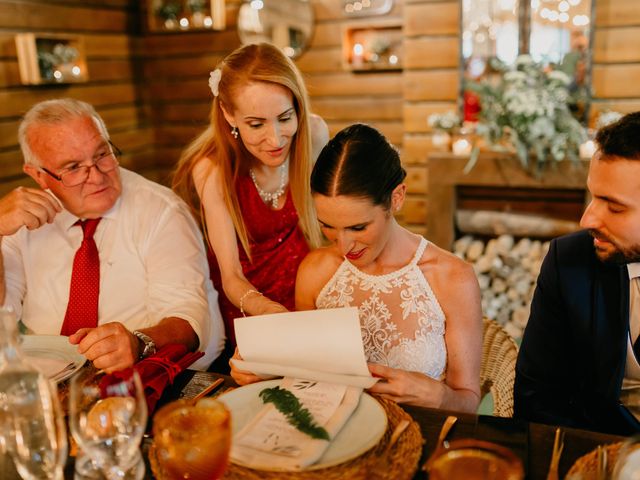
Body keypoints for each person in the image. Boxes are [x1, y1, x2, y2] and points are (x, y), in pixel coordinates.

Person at [0, 98, 224, 373]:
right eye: (73, 168)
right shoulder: (20, 220)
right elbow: (2, 318)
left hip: (145, 377)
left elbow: (189, 319)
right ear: (39, 176)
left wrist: (139, 342)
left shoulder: (161, 211)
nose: (96, 176)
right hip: (47, 379)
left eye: (102, 155)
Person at [290, 123, 482, 411]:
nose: (344, 246)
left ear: (397, 198)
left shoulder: (453, 278)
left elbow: (468, 402)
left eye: (358, 227)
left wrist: (439, 396)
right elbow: (303, 375)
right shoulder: (315, 272)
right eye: (327, 226)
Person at [172, 43, 329, 366]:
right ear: (229, 114)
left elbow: (327, 227)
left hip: (309, 289)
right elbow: (230, 276)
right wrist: (266, 309)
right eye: (256, 125)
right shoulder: (213, 170)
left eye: (285, 118)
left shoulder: (314, 134)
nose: (275, 139)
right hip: (249, 302)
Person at [515, 112, 640, 435]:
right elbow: (536, 396)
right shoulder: (567, 261)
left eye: (613, 206)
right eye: (592, 196)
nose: (587, 220)